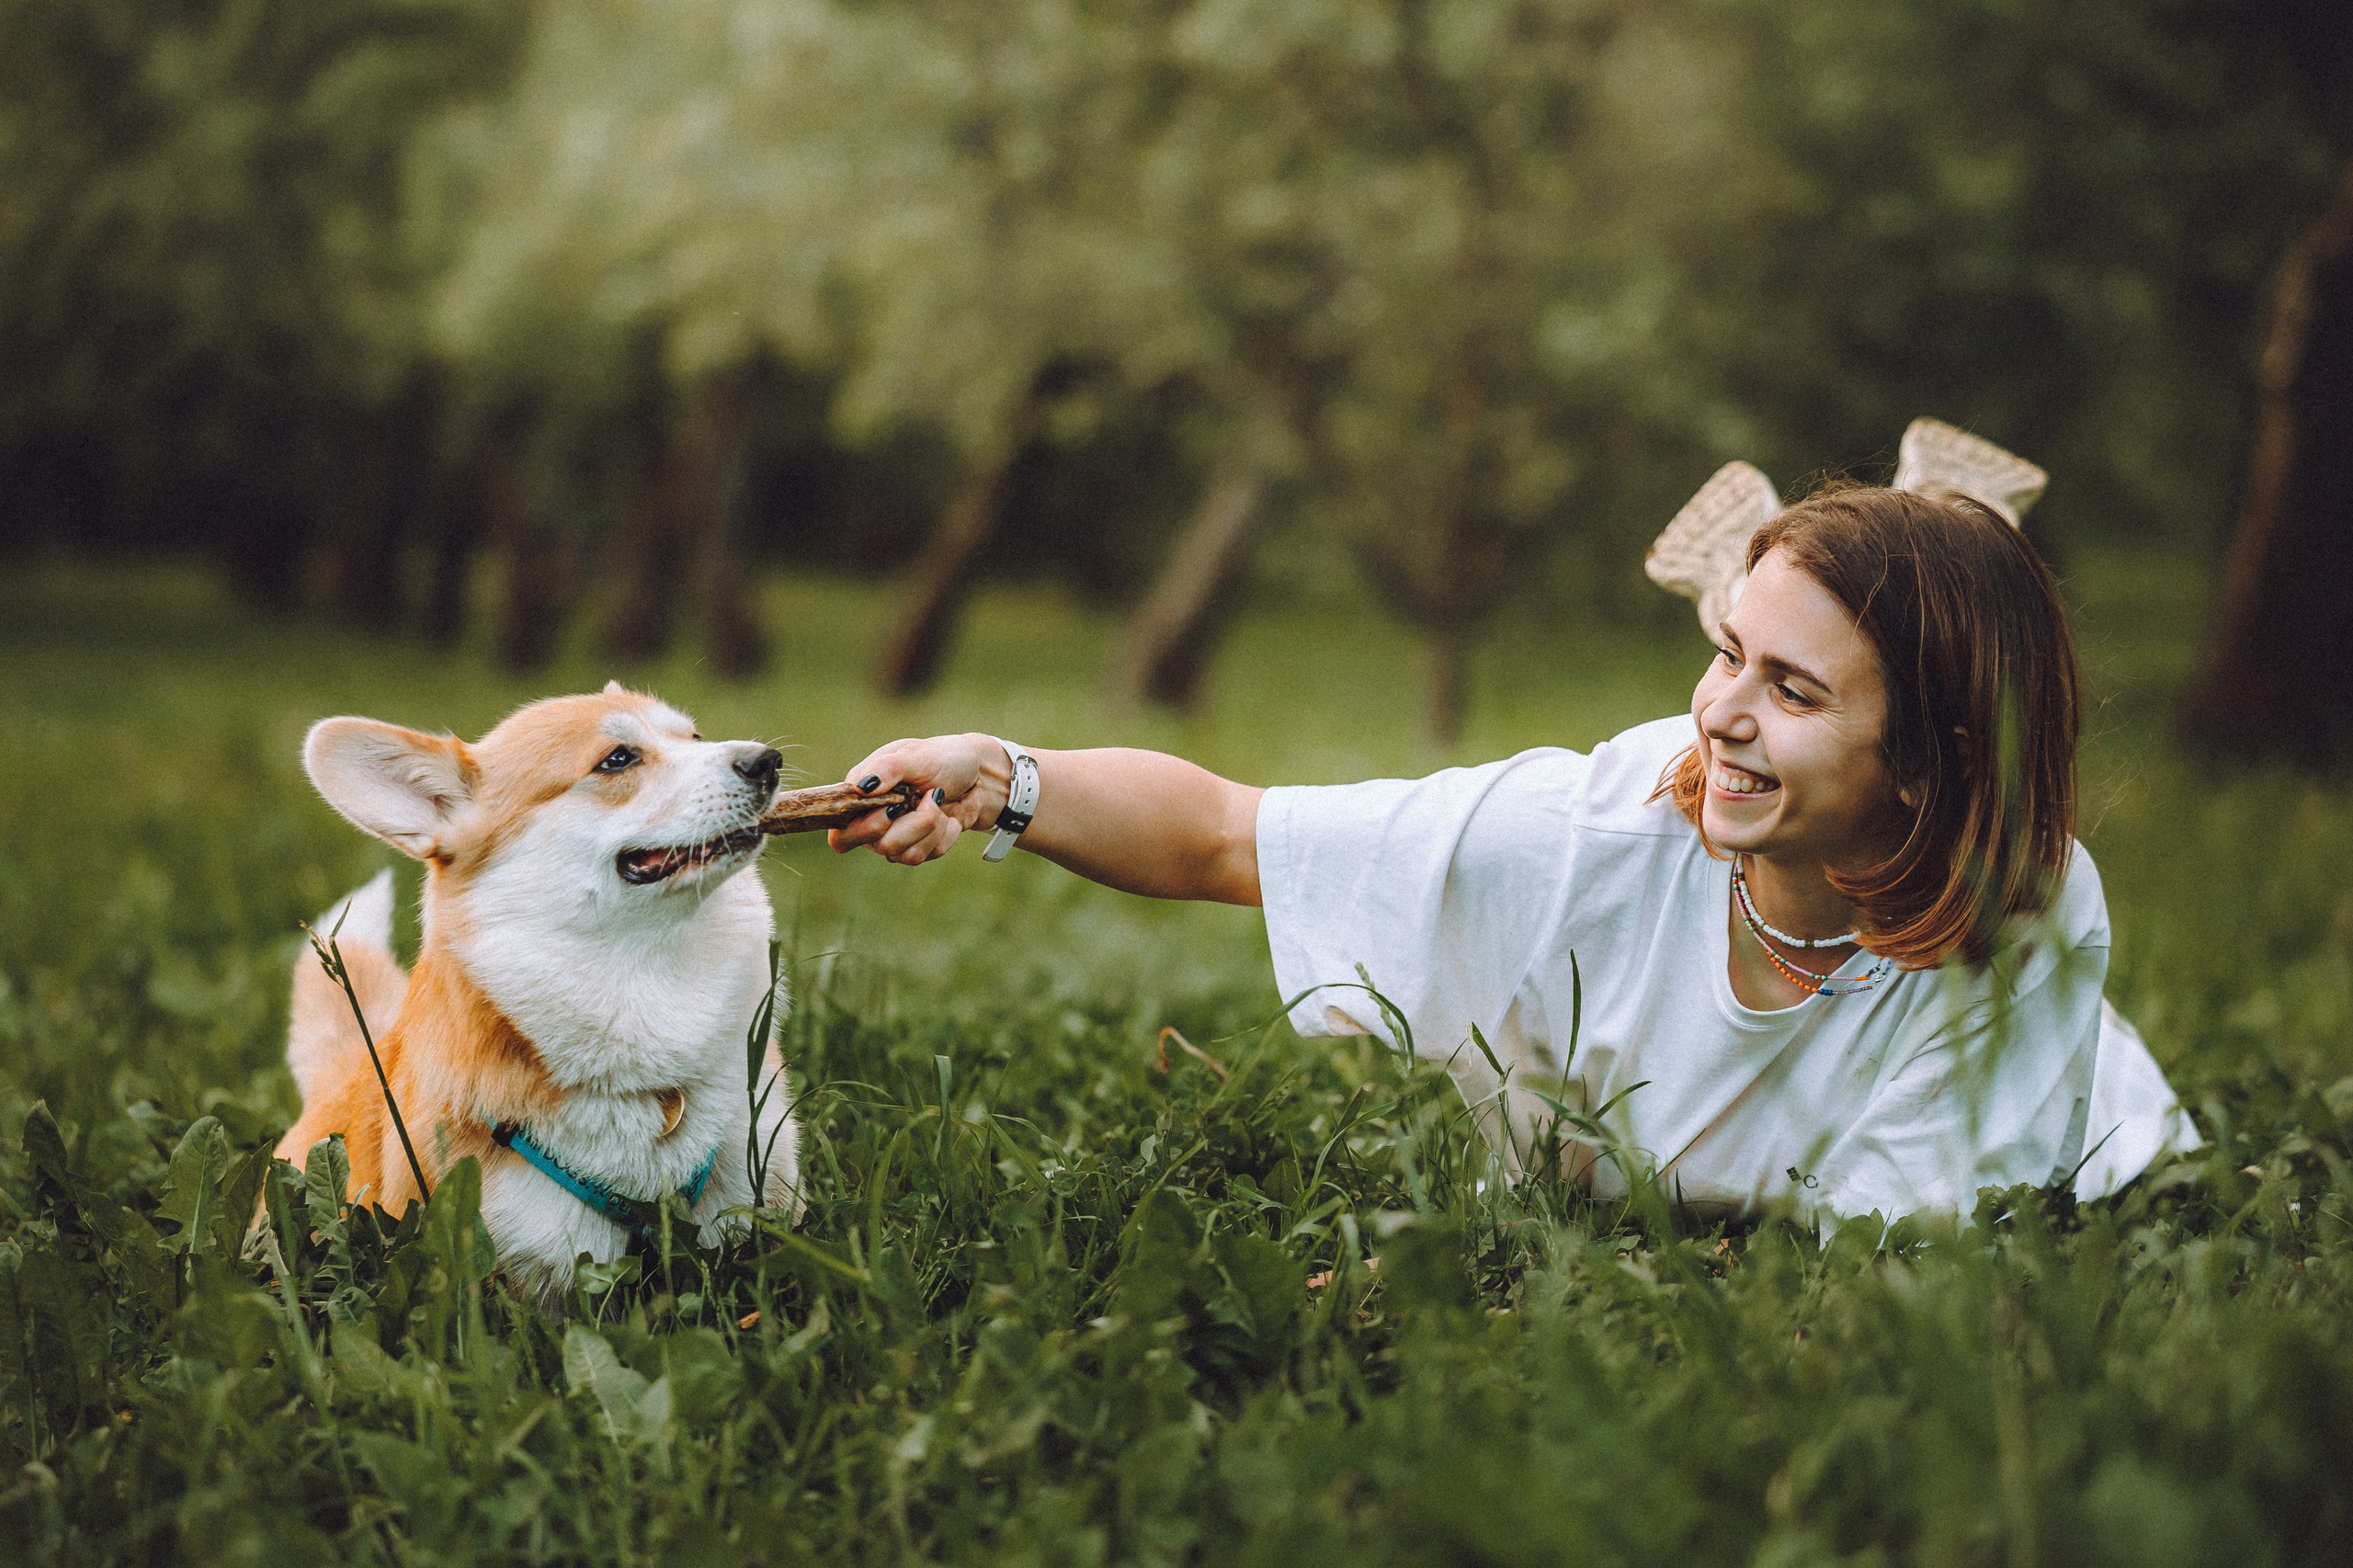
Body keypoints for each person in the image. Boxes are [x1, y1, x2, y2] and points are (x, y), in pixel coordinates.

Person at [827, 484, 2197, 1221]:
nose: (1718, 711)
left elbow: (1894, 1257)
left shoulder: (2025, 915)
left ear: (1928, 760)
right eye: (1729, 653)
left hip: (2071, 1144)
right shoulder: (1592, 832)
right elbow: (1228, 834)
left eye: (1794, 688)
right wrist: (1003, 776)